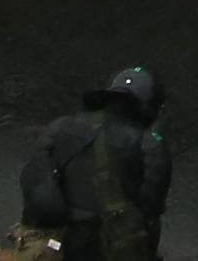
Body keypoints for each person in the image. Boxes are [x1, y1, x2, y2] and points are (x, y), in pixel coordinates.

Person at [24, 72, 168, 261]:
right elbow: (152, 206)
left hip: (58, 242)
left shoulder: (59, 127)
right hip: (112, 247)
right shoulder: (148, 144)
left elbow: (34, 178)